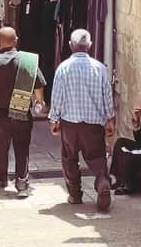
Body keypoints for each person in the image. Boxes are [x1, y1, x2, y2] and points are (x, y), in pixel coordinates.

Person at [48, 28, 115, 211]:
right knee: (97, 157)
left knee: (69, 158)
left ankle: (75, 194)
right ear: (90, 46)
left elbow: (57, 97)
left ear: (70, 46)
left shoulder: (63, 69)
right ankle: (102, 182)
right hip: (93, 123)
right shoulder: (100, 68)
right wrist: (109, 118)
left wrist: (54, 119)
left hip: (70, 123)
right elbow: (107, 95)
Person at [0, 27, 45, 197]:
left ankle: (1, 178)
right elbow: (38, 86)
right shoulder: (27, 61)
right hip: (21, 112)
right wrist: (40, 102)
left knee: (1, 147)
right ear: (16, 41)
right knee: (22, 148)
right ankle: (22, 184)